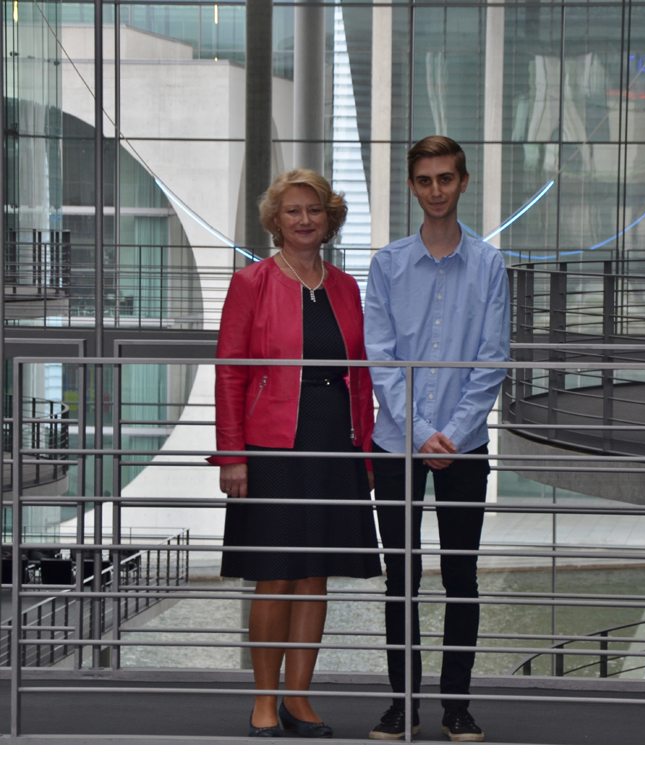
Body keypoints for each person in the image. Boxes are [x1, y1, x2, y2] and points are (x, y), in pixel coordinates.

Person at [209, 168, 381, 738]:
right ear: (275, 221)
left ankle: (299, 698)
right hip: (271, 442)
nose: (305, 220)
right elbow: (231, 372)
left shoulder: (346, 286)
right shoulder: (251, 283)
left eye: (315, 211)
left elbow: (363, 377)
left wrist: (366, 453)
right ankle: (264, 699)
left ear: (329, 220)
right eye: (293, 211)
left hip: (335, 439)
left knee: (315, 577)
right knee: (274, 575)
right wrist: (232, 454)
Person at [364, 136, 510, 742]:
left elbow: (492, 360)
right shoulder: (386, 265)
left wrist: (451, 433)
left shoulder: (490, 263)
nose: (436, 190)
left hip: (466, 443)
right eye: (425, 180)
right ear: (412, 187)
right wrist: (422, 433)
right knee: (400, 578)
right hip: (396, 444)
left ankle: (456, 704)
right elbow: (381, 359)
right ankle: (404, 703)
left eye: (445, 178)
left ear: (463, 182)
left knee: (461, 577)